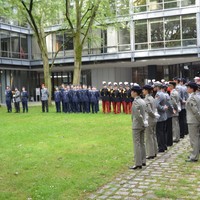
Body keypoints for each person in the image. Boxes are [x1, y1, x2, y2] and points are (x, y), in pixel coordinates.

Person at [129, 85, 148, 170]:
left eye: (132, 91)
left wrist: (142, 123)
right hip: (143, 124)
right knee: (142, 143)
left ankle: (138, 163)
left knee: (136, 144)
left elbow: (137, 115)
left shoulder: (136, 102)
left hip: (137, 125)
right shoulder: (142, 101)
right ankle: (143, 160)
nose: (131, 93)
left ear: (135, 92)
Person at [143, 84, 159, 159]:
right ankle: (155, 151)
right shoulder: (152, 98)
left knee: (148, 136)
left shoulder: (147, 99)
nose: (143, 91)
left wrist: (153, 116)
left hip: (149, 118)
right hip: (153, 118)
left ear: (146, 90)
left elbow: (149, 110)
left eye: (144, 90)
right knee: (153, 135)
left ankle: (150, 153)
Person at [185, 82, 200, 162]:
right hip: (195, 120)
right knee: (196, 138)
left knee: (194, 139)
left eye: (188, 87)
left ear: (191, 88)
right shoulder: (195, 96)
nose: (187, 89)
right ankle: (194, 153)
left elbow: (195, 110)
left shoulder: (192, 98)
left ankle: (194, 156)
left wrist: (199, 119)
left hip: (193, 120)